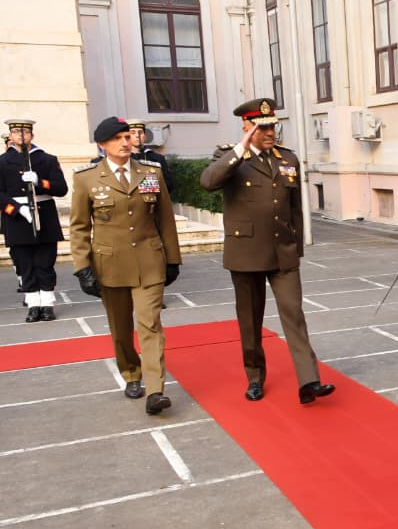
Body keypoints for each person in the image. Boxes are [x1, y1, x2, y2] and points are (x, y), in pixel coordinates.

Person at [200, 99, 335, 404]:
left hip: (282, 251)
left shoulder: (286, 159)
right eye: (262, 127)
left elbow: (295, 208)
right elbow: (208, 182)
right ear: (247, 127)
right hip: (246, 252)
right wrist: (240, 149)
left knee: (294, 315)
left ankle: (309, 380)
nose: (270, 132)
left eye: (272, 126)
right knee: (250, 319)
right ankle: (255, 376)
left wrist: (296, 246)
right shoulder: (230, 156)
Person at [69, 117, 182, 415]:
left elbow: (165, 220)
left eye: (127, 136)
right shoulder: (87, 178)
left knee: (150, 324)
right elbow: (79, 227)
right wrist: (82, 266)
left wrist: (172, 259)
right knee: (120, 328)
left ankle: (156, 390)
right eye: (117, 138)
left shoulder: (151, 173)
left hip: (149, 260)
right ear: (102, 144)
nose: (125, 142)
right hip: (110, 264)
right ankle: (132, 373)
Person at [0, 119, 67, 322]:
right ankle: (33, 303)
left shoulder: (47, 160)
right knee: (24, 262)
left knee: (45, 261)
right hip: (16, 218)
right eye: (16, 132)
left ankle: (47, 303)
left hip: (44, 214)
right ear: (10, 136)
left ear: (32, 135)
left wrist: (41, 182)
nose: (21, 135)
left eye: (25, 132)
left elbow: (61, 188)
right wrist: (17, 209)